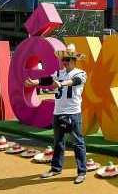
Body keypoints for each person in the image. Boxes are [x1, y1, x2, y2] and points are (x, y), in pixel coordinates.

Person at [24, 44, 88, 184]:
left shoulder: (81, 73)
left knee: (78, 143)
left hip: (73, 113)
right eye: (63, 59)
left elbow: (75, 81)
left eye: (67, 59)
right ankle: (55, 168)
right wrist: (35, 82)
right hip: (58, 112)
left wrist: (62, 84)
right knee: (58, 142)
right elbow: (47, 79)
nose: (64, 62)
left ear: (73, 60)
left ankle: (82, 172)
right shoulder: (59, 73)